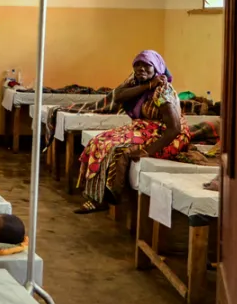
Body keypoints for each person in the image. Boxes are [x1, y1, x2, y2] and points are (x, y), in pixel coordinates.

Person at [74, 50, 191, 214]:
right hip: (146, 127)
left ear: (157, 68)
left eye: (147, 65)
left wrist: (147, 151)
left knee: (117, 149)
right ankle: (95, 195)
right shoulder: (138, 83)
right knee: (98, 141)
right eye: (137, 65)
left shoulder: (163, 91)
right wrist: (147, 85)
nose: (141, 68)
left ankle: (109, 197)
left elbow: (174, 128)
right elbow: (118, 96)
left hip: (167, 135)